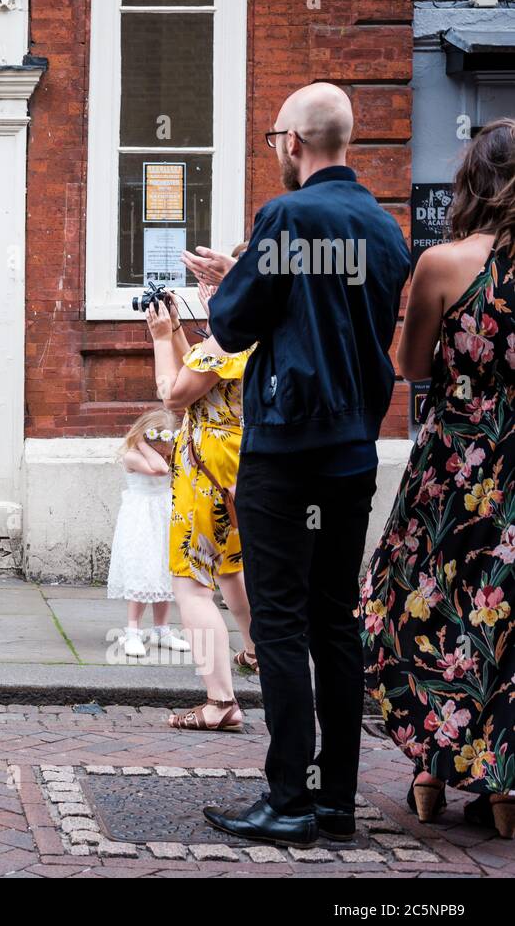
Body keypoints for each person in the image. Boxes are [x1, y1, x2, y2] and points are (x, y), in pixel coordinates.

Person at [191, 82, 411, 849]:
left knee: (279, 620)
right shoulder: (386, 231)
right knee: (334, 621)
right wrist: (254, 270)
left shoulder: (286, 215)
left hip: (285, 447)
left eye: (273, 138)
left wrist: (232, 279)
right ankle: (335, 800)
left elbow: (235, 324)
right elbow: (337, 315)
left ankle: (288, 797)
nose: (275, 150)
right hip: (353, 448)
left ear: (293, 142)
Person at [360, 119, 515, 839]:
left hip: (457, 464)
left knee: (427, 605)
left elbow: (412, 366)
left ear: (472, 181)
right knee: (506, 618)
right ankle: (504, 780)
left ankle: (428, 768)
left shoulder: (444, 263)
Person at [147, 284, 255, 726]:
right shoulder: (256, 334)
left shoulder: (226, 341)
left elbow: (173, 394)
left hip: (205, 462)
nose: (206, 294)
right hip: (238, 457)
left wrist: (158, 339)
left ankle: (220, 702)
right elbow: (201, 367)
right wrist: (175, 331)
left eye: (215, 286)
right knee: (230, 564)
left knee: (191, 582)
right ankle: (256, 649)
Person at [106, 408, 189, 659]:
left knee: (164, 570)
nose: (166, 451)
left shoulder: (165, 454)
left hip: (164, 514)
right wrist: (142, 443)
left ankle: (161, 629)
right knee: (143, 570)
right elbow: (160, 470)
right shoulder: (131, 456)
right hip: (141, 518)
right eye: (160, 445)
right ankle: (132, 630)